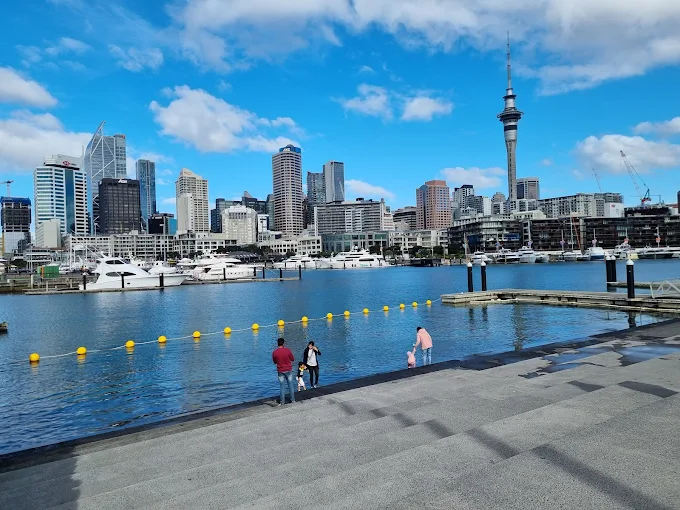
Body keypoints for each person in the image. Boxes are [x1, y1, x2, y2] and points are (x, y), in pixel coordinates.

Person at [272, 337, 296, 405]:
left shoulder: (275, 352)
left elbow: (274, 362)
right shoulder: (287, 350)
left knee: (282, 387)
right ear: (283, 343)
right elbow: (292, 359)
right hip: (288, 369)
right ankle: (293, 400)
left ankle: (282, 401)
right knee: (290, 385)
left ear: (277, 344)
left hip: (280, 370)